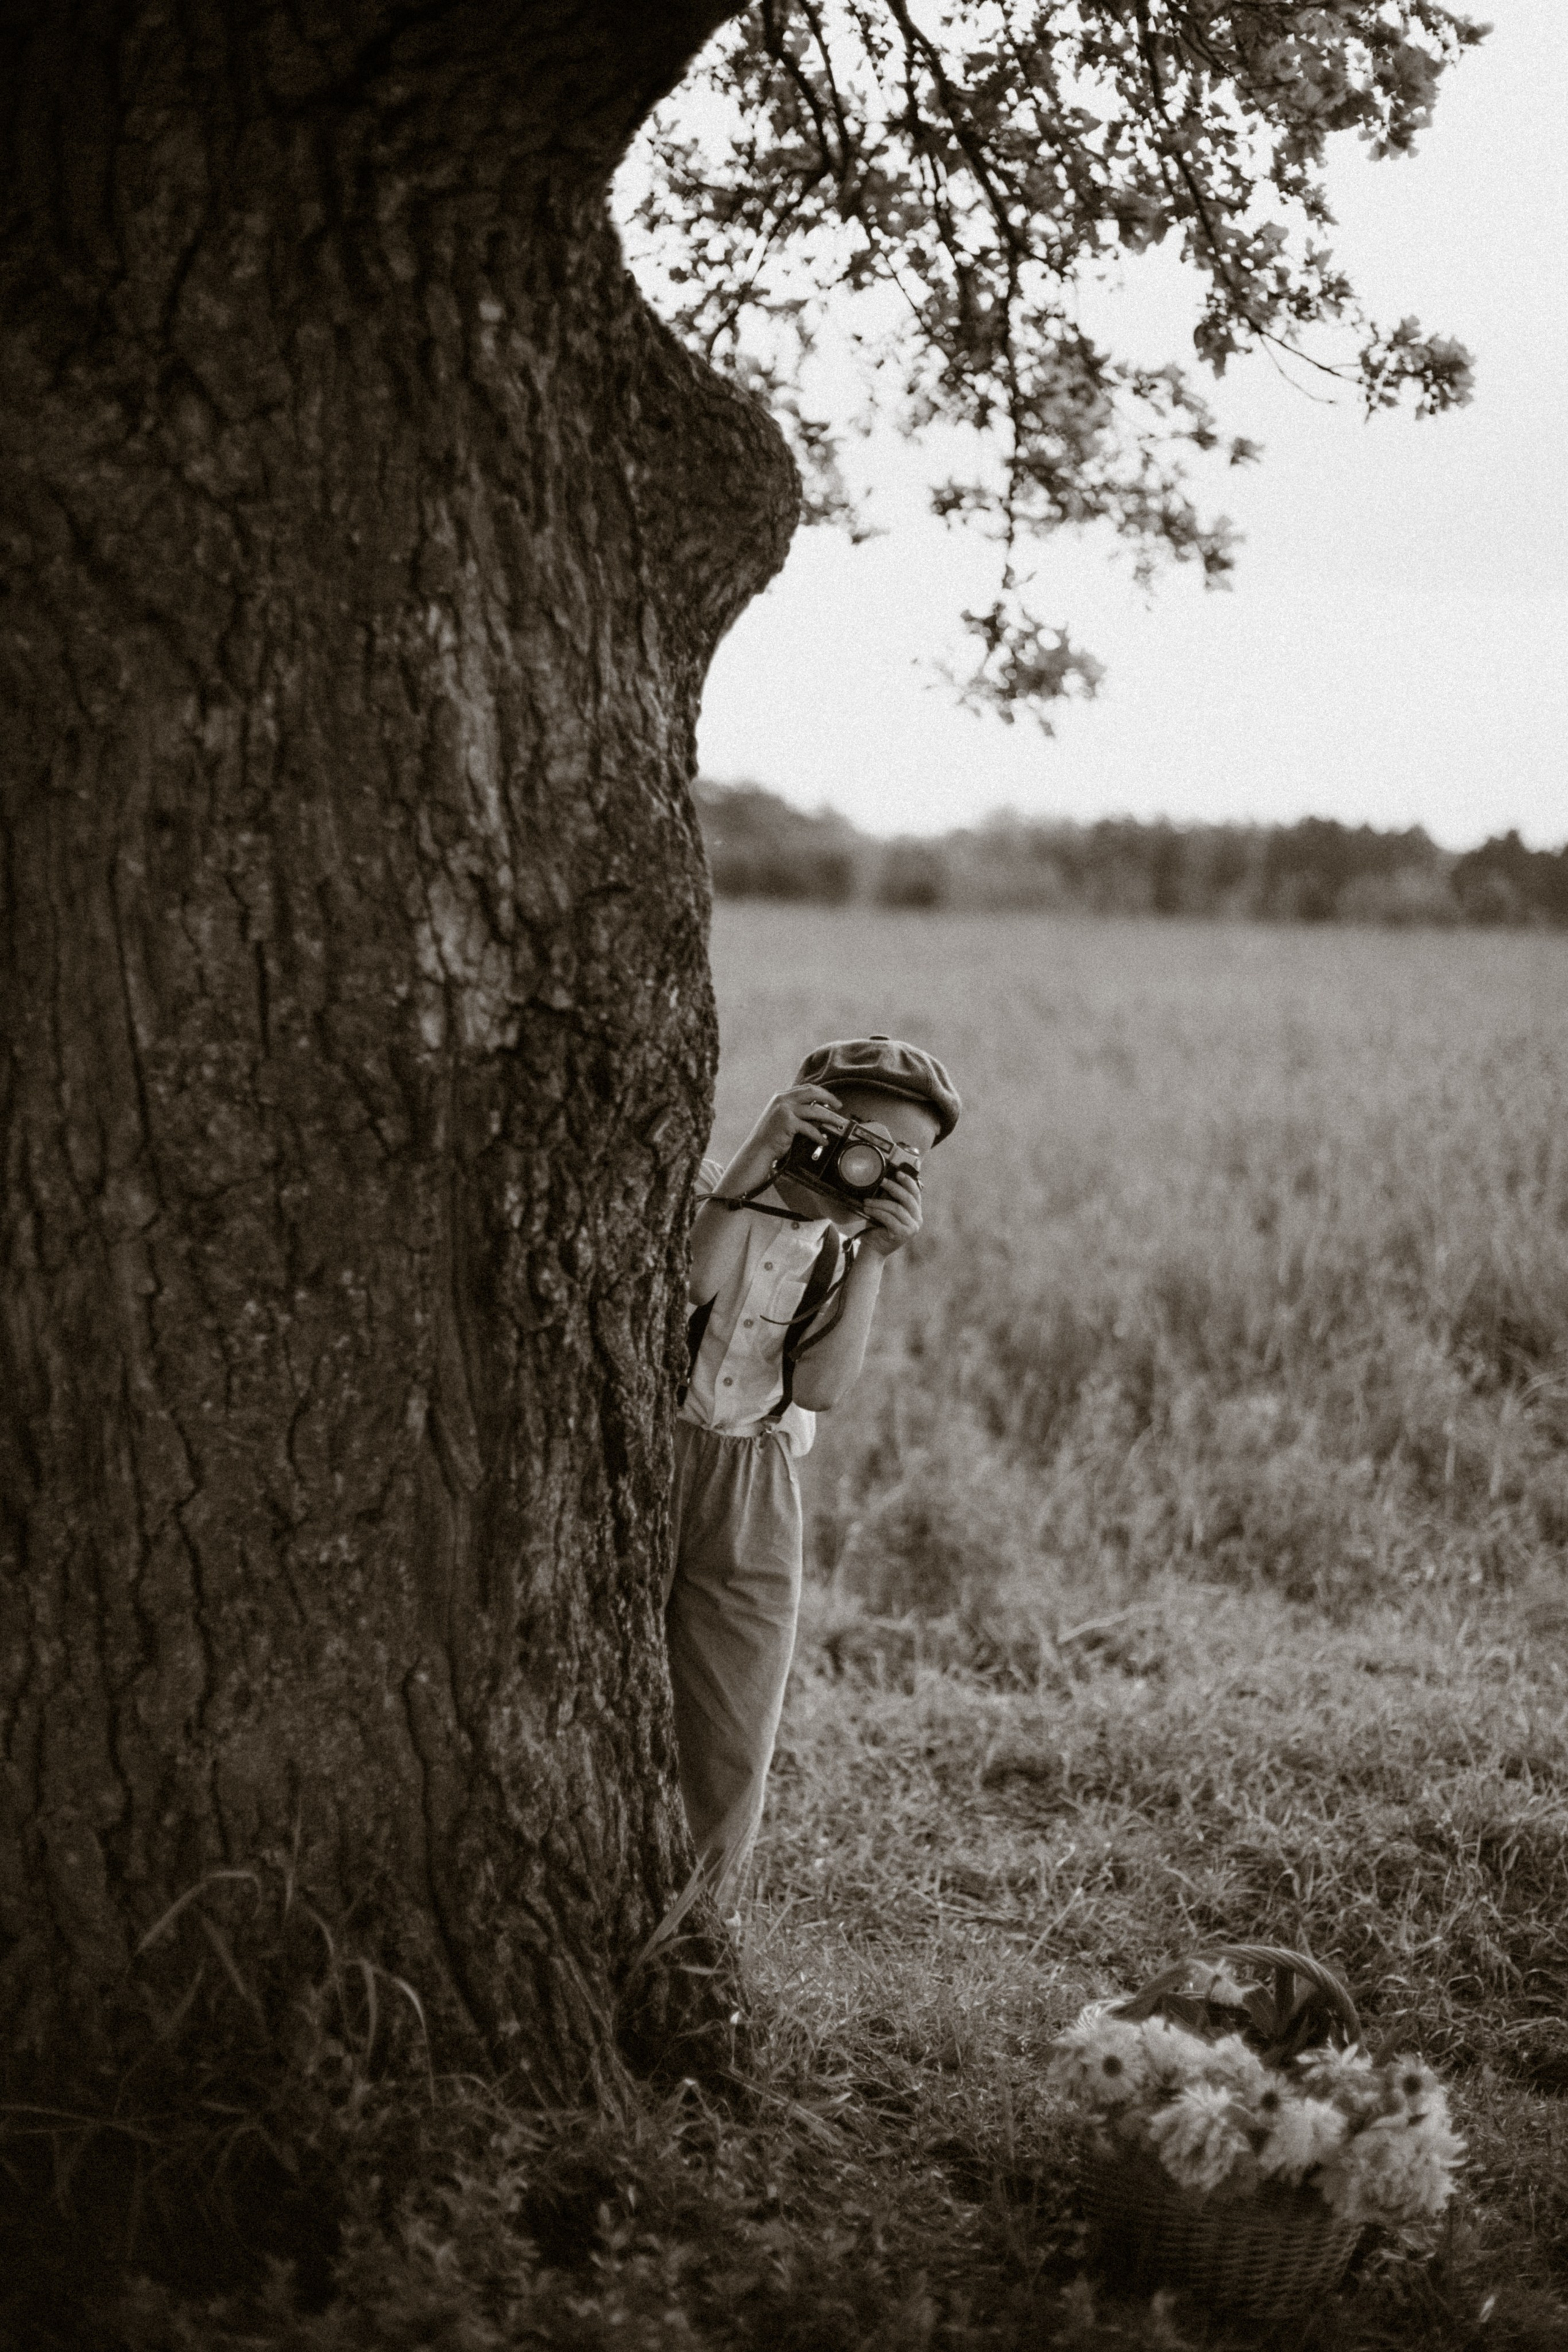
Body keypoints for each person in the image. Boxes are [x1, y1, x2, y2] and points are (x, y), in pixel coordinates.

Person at [664, 1034, 961, 1915]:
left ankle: (698, 1929)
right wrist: (758, 1154)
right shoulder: (712, 1190)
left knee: (734, 1733)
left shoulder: (842, 1251)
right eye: (860, 1137)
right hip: (651, 1452)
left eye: (901, 1160)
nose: (869, 1166)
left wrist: (875, 1258)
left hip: (756, 1480)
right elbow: (690, 1282)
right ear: (809, 1116)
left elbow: (823, 1388)